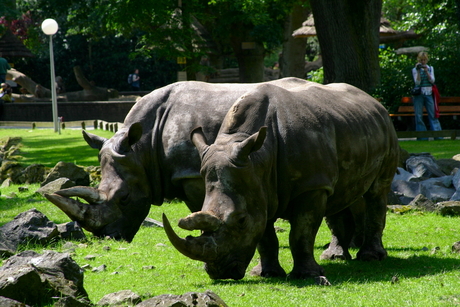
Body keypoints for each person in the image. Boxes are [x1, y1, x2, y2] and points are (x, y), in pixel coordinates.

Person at [412, 51, 441, 139]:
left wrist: (426, 72)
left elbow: (432, 81)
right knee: (419, 115)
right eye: (421, 60)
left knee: (432, 115)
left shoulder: (430, 68)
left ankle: (437, 135)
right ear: (418, 60)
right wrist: (418, 71)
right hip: (419, 94)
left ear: (427, 60)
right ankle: (422, 136)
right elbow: (417, 82)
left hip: (428, 93)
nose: (423, 62)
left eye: (424, 60)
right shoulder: (415, 70)